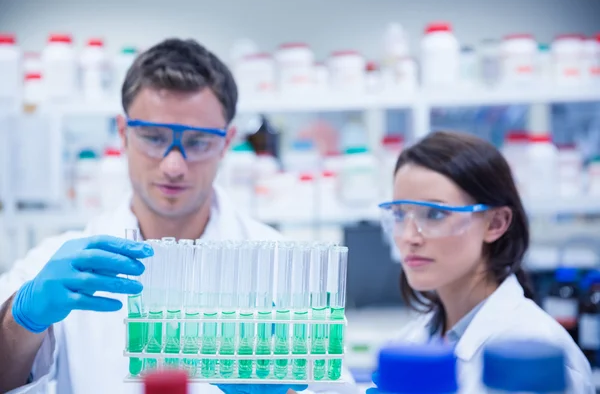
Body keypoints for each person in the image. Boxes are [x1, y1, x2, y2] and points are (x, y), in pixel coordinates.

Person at [0, 38, 355, 394]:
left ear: (226, 143)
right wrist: (21, 321)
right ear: (123, 133)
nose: (173, 166)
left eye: (198, 142)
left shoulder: (283, 268)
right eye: (153, 138)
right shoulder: (60, 265)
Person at [373, 131, 593, 393]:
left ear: (496, 223)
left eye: (434, 214)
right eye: (399, 215)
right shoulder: (414, 339)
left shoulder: (541, 352)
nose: (409, 237)